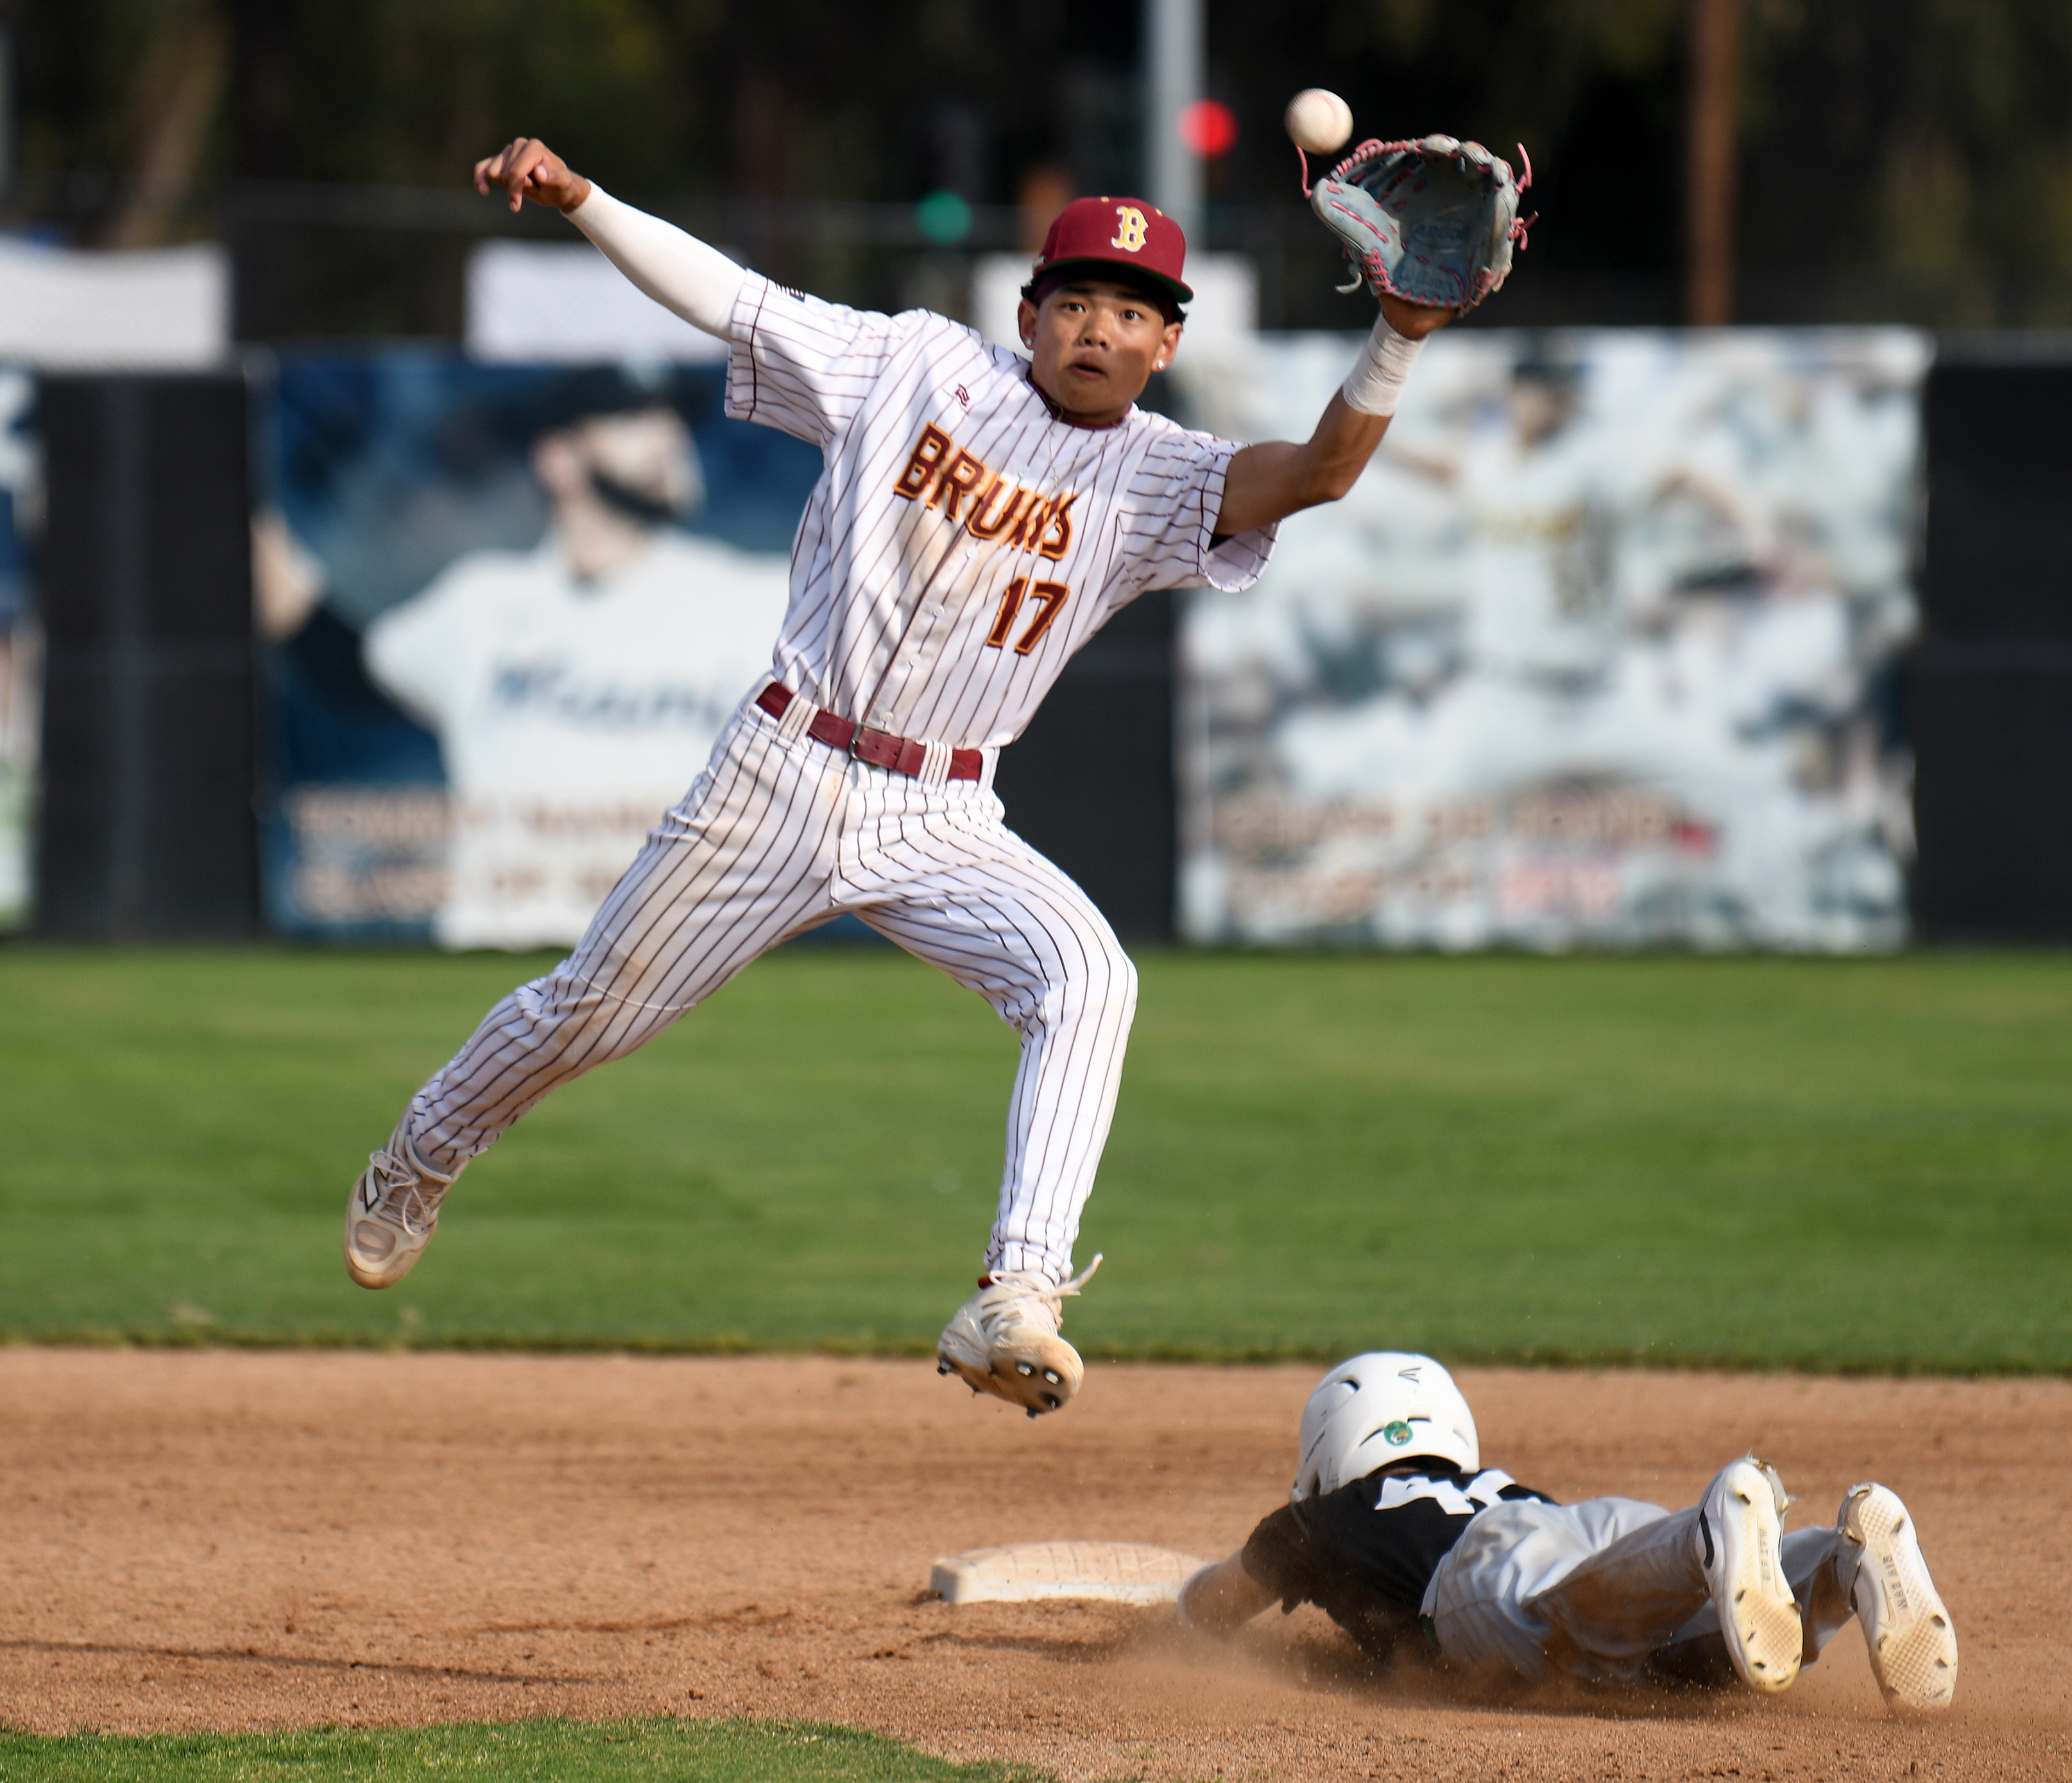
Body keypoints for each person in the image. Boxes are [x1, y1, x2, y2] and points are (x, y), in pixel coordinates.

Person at [343, 135, 1460, 1418]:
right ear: (1030, 312)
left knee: (1088, 979)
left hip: (942, 812)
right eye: (1081, 300)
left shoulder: (1162, 476)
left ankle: (1017, 1294)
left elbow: (1317, 471)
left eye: (1136, 312)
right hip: (781, 771)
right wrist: (588, 199)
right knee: (592, 1014)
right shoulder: (915, 363)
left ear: (1164, 347)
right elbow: (730, 297)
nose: (1102, 328)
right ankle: (426, 1147)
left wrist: (1401, 336)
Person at [1178, 1352, 1958, 1714]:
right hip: (1582, 1526)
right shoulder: (1491, 1484)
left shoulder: (1321, 1522)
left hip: (1482, 1576)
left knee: (1558, 1625)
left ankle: (1708, 1536)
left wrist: (1169, 1619)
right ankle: (1838, 1558)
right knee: (1681, 1653)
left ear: (1332, 1447)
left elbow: (1213, 1605)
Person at [362, 370, 787, 949]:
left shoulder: (757, 597)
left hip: (675, 956)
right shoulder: (480, 601)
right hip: (492, 955)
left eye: (672, 422)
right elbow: (347, 668)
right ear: (557, 460)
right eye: (631, 421)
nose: (666, 440)